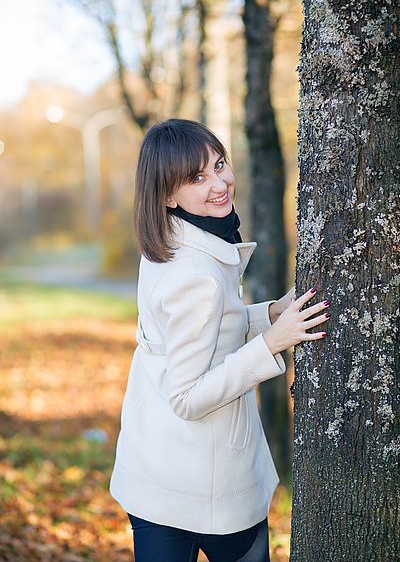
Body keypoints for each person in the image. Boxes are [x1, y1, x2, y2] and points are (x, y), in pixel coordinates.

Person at [109, 118, 331, 562]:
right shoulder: (197, 272)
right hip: (206, 487)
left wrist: (267, 314)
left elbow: (197, 331)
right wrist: (271, 342)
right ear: (168, 195)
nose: (220, 183)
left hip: (154, 472)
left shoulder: (168, 241)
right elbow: (188, 397)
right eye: (197, 177)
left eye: (219, 164)